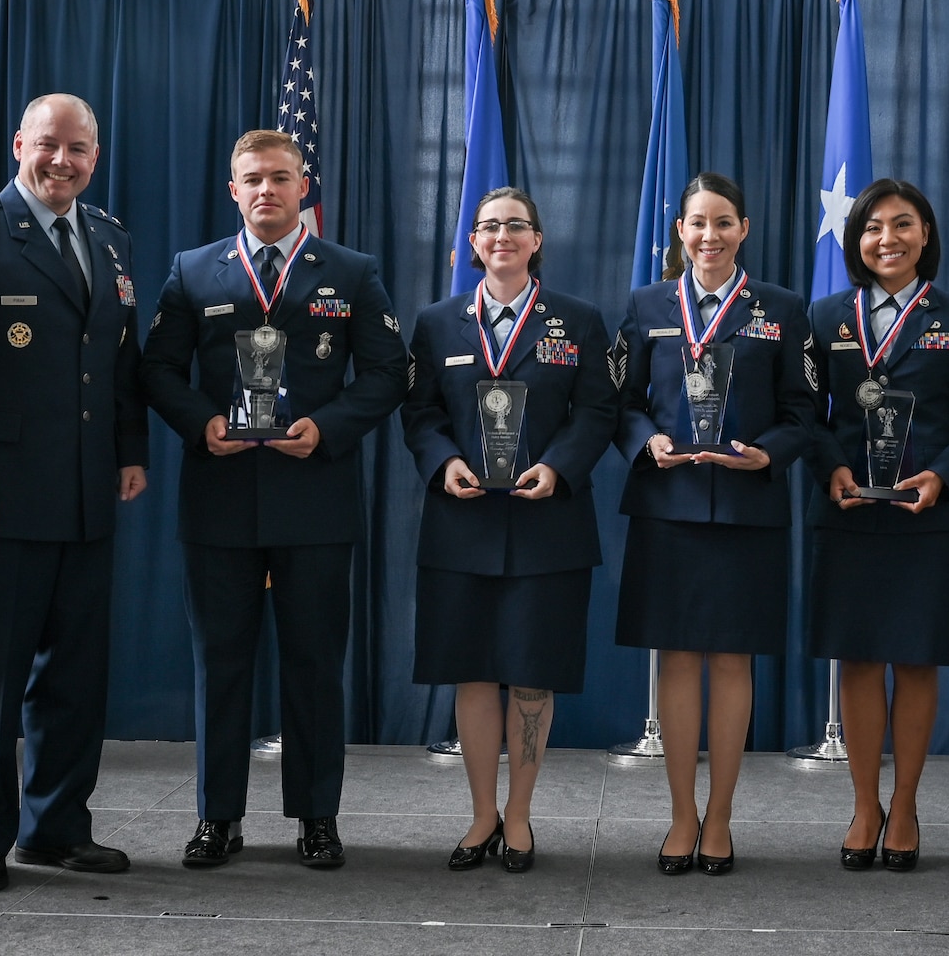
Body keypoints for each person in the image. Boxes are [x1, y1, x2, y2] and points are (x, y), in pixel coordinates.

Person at [140, 129, 408, 871]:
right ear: (233, 190)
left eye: (280, 178)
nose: (266, 190)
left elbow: (388, 375)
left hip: (314, 496)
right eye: (252, 178)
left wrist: (328, 427)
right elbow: (158, 369)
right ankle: (216, 817)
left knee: (316, 665)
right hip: (220, 496)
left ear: (303, 188)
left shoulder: (351, 272)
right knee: (219, 663)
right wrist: (203, 423)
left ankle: (317, 816)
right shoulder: (193, 272)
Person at [0, 93, 149, 893]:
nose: (63, 161)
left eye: (78, 149)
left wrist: (129, 452)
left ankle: (56, 827)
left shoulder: (108, 239)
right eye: (49, 145)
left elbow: (117, 360)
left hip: (84, 492)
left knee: (76, 679)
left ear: (95, 157)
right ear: (20, 144)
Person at [402, 187, 618, 873]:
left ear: (537, 240)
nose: (502, 236)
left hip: (546, 523)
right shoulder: (436, 323)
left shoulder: (578, 321)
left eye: (515, 226)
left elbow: (597, 413)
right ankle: (480, 815)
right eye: (489, 226)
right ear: (472, 242)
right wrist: (444, 463)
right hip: (461, 522)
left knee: (530, 676)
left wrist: (558, 467)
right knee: (471, 672)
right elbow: (421, 415)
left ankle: (519, 816)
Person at [612, 172, 817, 875]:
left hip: (746, 508)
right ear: (679, 230)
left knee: (732, 661)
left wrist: (769, 455)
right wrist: (648, 440)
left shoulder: (783, 309)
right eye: (698, 222)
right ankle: (679, 816)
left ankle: (721, 817)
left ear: (745, 230)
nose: (710, 235)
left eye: (724, 222)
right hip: (667, 506)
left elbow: (803, 412)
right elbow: (620, 402)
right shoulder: (645, 306)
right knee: (675, 658)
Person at [806, 179, 949, 871]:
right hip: (850, 510)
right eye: (872, 227)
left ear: (926, 235)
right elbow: (808, 414)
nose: (887, 238)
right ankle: (864, 805)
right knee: (858, 658)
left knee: (916, 658)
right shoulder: (825, 316)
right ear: (856, 241)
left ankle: (908, 804)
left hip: (927, 513)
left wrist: (945, 476)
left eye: (903, 224)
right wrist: (830, 465)